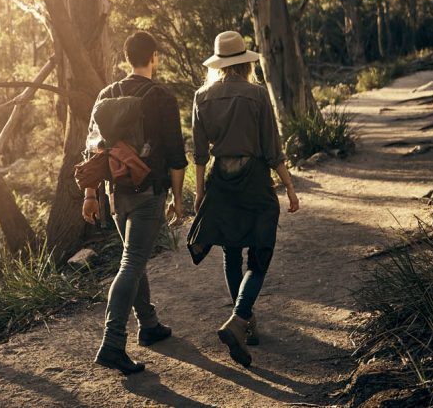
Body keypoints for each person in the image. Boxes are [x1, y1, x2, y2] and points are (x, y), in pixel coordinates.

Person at [187, 30, 300, 368]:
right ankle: (239, 320)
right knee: (260, 254)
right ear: (244, 62)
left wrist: (201, 193)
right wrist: (290, 187)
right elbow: (271, 149)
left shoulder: (201, 97)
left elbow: (199, 153)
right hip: (253, 180)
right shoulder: (257, 94)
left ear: (219, 64)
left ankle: (245, 324)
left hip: (220, 180)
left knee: (231, 252)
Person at [83, 31, 188, 375]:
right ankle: (113, 343)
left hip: (115, 195)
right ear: (153, 57)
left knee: (135, 256)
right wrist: (177, 198)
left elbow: (91, 149)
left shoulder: (105, 94)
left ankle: (149, 324)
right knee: (131, 262)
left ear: (127, 58)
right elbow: (175, 155)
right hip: (148, 192)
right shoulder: (161, 97)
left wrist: (89, 195)